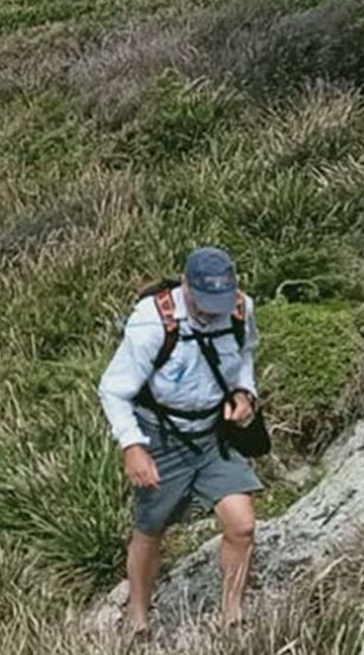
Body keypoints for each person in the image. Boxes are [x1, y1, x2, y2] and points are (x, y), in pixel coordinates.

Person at [97, 247, 262, 637]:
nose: (213, 313)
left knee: (242, 525)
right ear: (185, 284)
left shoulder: (241, 309)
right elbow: (113, 390)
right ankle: (138, 614)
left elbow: (246, 354)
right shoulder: (152, 322)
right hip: (161, 436)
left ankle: (232, 615)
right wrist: (133, 447)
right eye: (204, 303)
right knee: (151, 527)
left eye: (219, 303)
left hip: (212, 434)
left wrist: (244, 393)